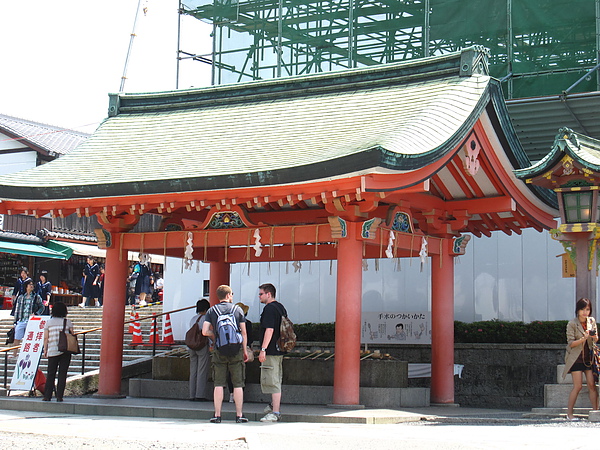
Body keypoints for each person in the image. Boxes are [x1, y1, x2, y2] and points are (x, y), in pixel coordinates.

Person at [202, 285, 249, 423]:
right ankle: (239, 415)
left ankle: (217, 415)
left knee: (218, 383)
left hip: (219, 349)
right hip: (236, 350)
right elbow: (244, 332)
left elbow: (204, 331)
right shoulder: (237, 309)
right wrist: (245, 350)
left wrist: (216, 336)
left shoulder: (212, 311)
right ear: (228, 295)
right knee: (238, 384)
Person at [563, 297, 599, 420]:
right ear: (577, 310)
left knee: (591, 384)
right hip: (576, 359)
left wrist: (593, 337)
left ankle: (595, 412)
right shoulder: (572, 323)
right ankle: (569, 414)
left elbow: (596, 338)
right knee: (577, 386)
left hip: (588, 358)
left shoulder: (591, 321)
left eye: (587, 309)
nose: (585, 312)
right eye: (582, 309)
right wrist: (583, 338)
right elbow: (570, 343)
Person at [258, 283, 287, 422]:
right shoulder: (280, 307)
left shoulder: (269, 309)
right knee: (276, 377)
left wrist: (263, 349)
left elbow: (269, 330)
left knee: (272, 380)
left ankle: (275, 412)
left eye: (261, 294)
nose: (259, 296)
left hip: (271, 350)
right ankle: (273, 406)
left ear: (268, 294)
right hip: (280, 348)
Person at [42, 302, 74, 402]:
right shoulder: (67, 322)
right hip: (65, 351)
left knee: (51, 373)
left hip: (52, 350)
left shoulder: (49, 322)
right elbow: (72, 334)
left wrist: (45, 349)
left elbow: (46, 337)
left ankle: (47, 396)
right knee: (62, 374)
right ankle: (59, 396)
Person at [227, 302, 253, 402]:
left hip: (230, 348)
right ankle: (240, 394)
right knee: (241, 373)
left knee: (230, 372)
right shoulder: (248, 324)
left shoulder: (229, 322)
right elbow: (249, 339)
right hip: (243, 349)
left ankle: (231, 394)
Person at [12, 279, 44, 356]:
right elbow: (17, 309)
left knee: (30, 338)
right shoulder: (21, 297)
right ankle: (14, 353)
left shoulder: (36, 297)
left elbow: (42, 307)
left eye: (32, 284)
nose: (31, 286)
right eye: (30, 284)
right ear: (26, 286)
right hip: (21, 319)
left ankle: (28, 354)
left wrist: (36, 313)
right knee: (17, 337)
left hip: (31, 320)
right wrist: (15, 321)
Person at [189, 298, 211, 402]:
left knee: (193, 370)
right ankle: (200, 395)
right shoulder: (206, 318)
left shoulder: (193, 318)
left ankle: (191, 394)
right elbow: (208, 332)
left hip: (191, 346)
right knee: (202, 370)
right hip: (202, 346)